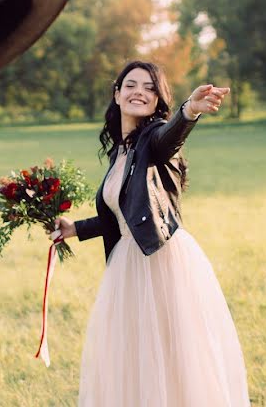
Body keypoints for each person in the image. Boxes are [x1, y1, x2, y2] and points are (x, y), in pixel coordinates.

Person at [54, 60, 250, 406]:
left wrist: (189, 111)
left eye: (149, 87)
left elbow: (168, 137)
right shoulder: (120, 150)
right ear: (117, 95)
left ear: (158, 99)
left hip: (161, 260)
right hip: (128, 264)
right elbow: (125, 215)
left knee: (171, 357)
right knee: (134, 355)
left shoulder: (154, 137)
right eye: (130, 85)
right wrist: (75, 229)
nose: (139, 92)